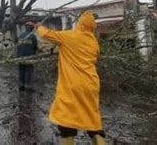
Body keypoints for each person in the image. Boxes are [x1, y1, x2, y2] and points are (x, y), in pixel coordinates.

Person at [35, 11, 106, 145]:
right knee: (93, 119)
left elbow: (47, 34)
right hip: (91, 84)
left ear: (80, 23)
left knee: (67, 122)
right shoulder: (93, 42)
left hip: (72, 85)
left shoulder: (70, 36)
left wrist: (38, 26)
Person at [17, 21, 38, 91]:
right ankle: (28, 88)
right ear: (32, 28)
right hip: (29, 57)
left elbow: (18, 47)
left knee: (21, 71)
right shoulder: (33, 36)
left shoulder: (20, 35)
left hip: (20, 57)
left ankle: (21, 86)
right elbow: (35, 47)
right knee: (29, 72)